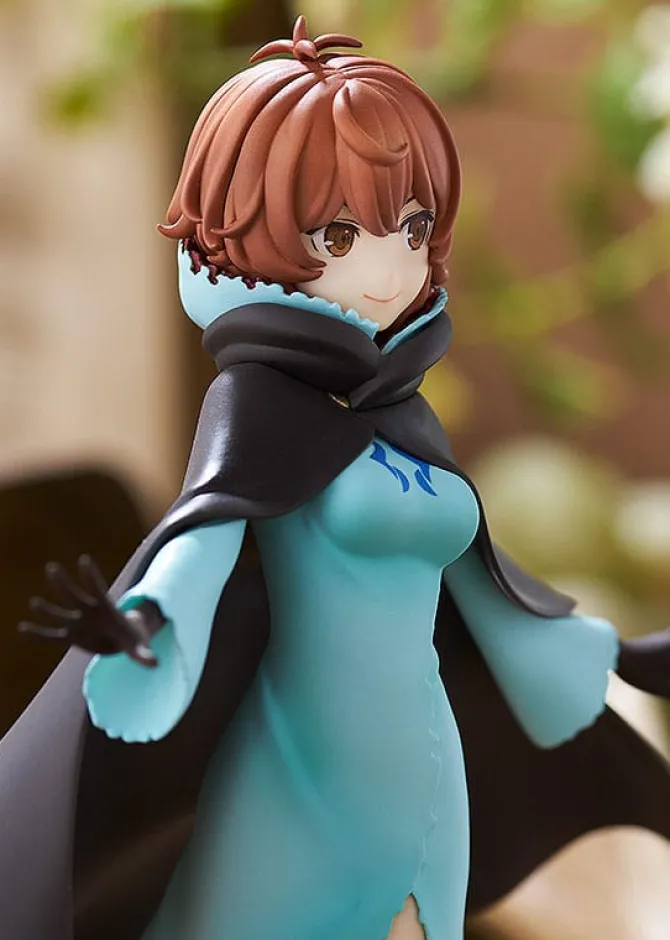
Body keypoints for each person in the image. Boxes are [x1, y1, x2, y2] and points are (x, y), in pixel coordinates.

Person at [3, 15, 669, 940]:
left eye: (413, 225)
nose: (391, 264)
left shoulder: (402, 411)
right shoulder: (259, 410)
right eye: (341, 232)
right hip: (303, 771)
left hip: (425, 764)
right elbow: (199, 543)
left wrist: (620, 657)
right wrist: (140, 629)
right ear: (251, 229)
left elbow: (485, 589)